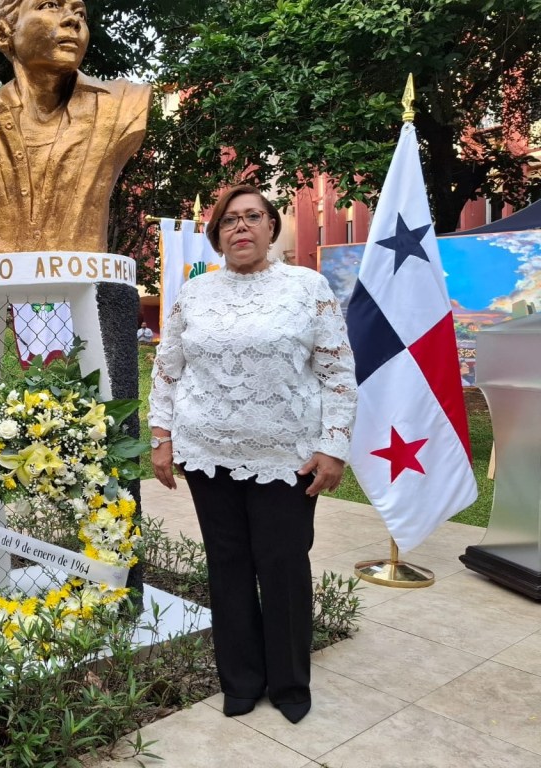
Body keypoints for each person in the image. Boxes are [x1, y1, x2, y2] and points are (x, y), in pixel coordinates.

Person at [148, 184, 357, 724]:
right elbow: (167, 368)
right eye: (229, 221)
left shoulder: (307, 288)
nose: (240, 228)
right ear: (217, 235)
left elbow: (337, 374)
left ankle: (289, 684)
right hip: (206, 455)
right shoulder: (194, 294)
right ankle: (239, 680)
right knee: (228, 564)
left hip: (286, 457)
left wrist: (332, 448)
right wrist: (161, 437)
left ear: (271, 227)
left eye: (252, 217)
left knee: (283, 564)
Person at [0, 0, 151, 256]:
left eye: (80, 14)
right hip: (1, 292)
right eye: (49, 5)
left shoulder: (125, 105)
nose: (73, 20)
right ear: (1, 35)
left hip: (82, 287)